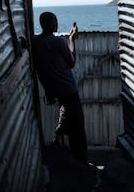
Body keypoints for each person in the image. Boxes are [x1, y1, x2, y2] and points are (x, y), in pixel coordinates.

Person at [32, 12, 88, 164]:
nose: (56, 24)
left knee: (66, 112)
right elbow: (71, 62)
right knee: (77, 124)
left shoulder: (35, 43)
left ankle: (58, 138)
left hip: (53, 89)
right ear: (49, 24)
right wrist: (71, 39)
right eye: (54, 21)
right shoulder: (59, 42)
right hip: (68, 88)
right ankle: (81, 158)